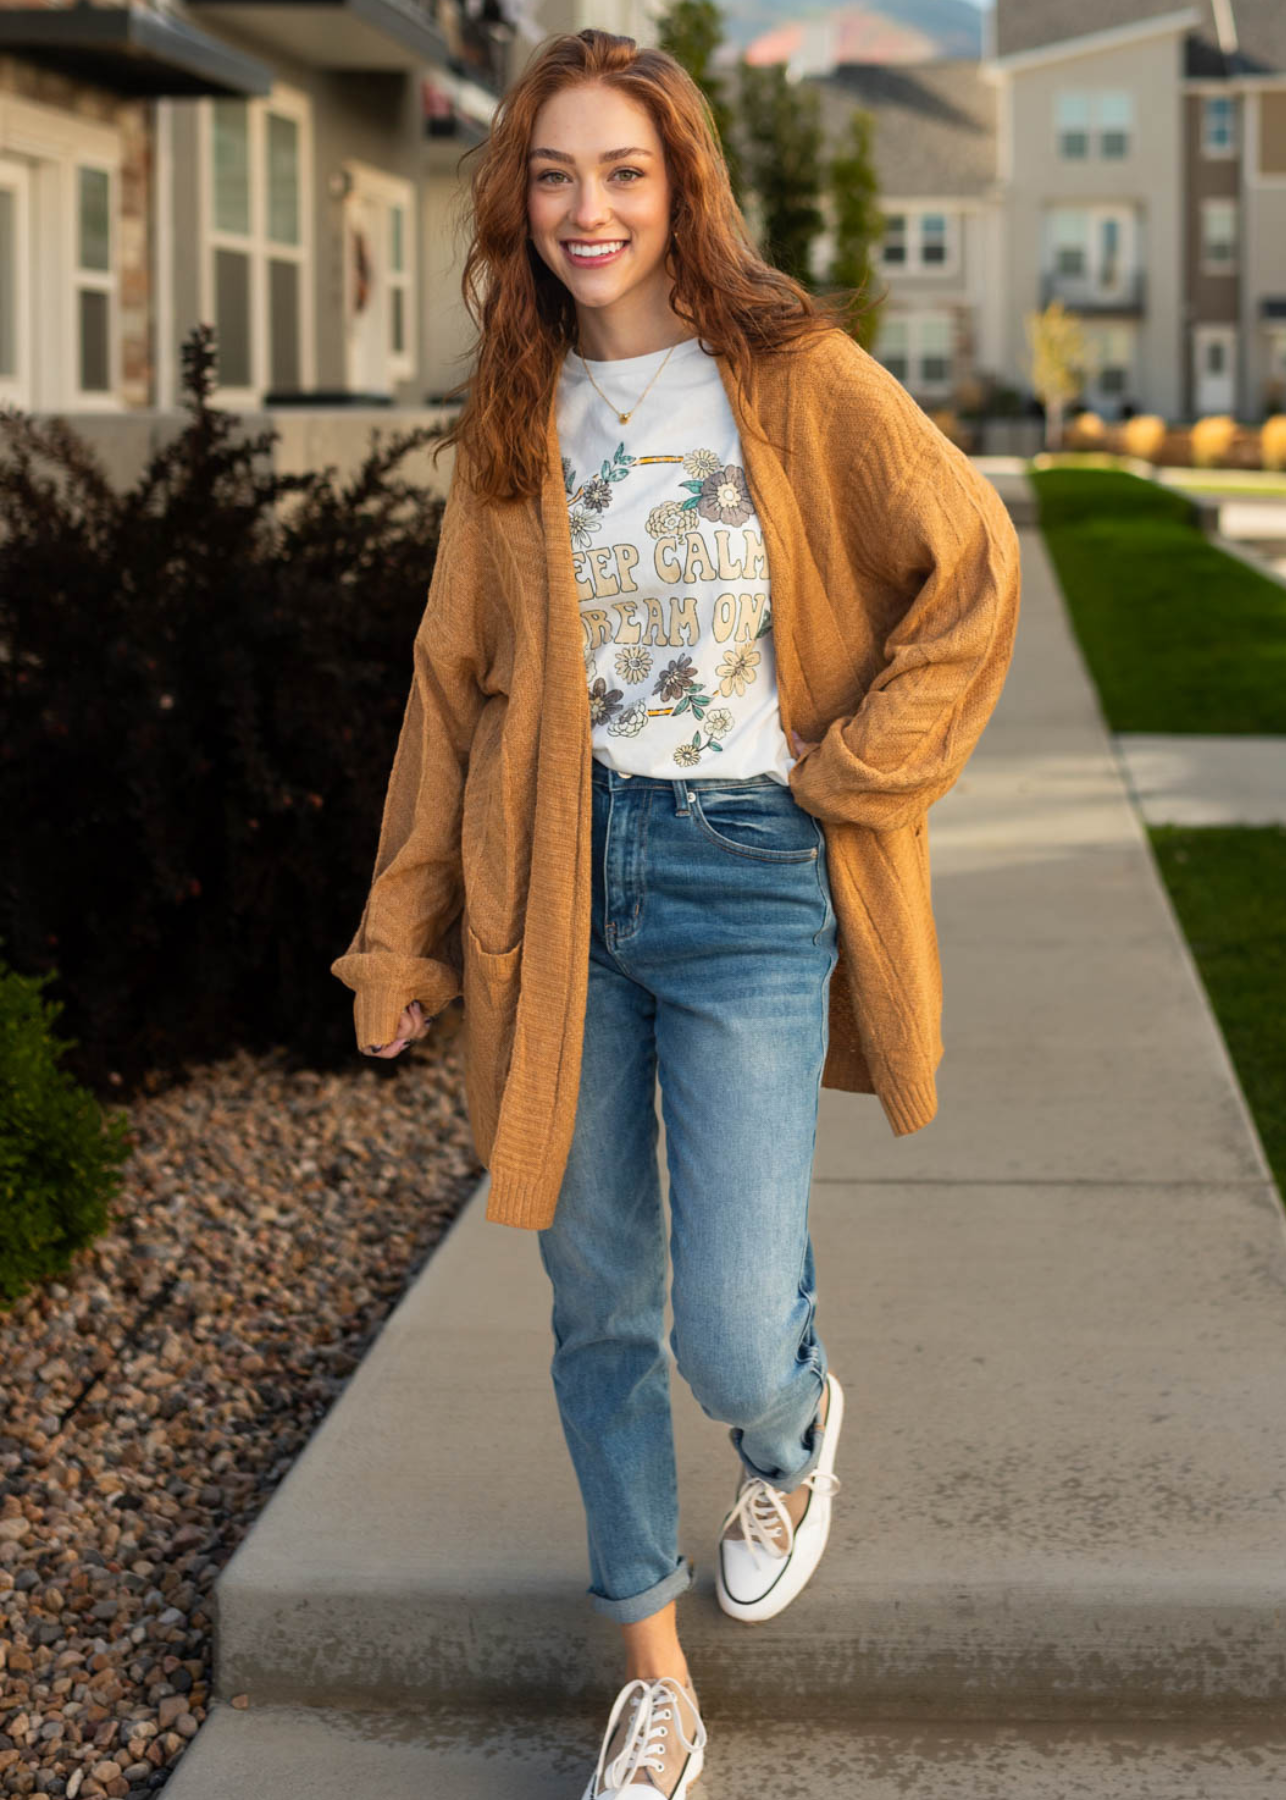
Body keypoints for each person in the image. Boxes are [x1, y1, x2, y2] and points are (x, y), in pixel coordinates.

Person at [332, 27, 1021, 1797]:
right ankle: (647, 1664)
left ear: (679, 185)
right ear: (517, 196)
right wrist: (402, 936)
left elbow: (972, 562)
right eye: (553, 174)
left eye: (622, 172)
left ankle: (788, 1434)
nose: (587, 208)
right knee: (596, 1295)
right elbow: (449, 689)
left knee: (724, 1315)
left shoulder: (787, 374)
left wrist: (853, 772)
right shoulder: (512, 407)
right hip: (560, 886)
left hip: (748, 875)